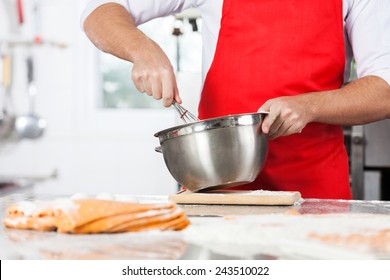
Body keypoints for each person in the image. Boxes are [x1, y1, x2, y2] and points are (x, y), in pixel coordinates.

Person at [81, 0, 390, 199]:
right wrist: (143, 51)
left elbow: (385, 88)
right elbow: (99, 10)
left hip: (314, 188)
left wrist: (309, 106)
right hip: (218, 185)